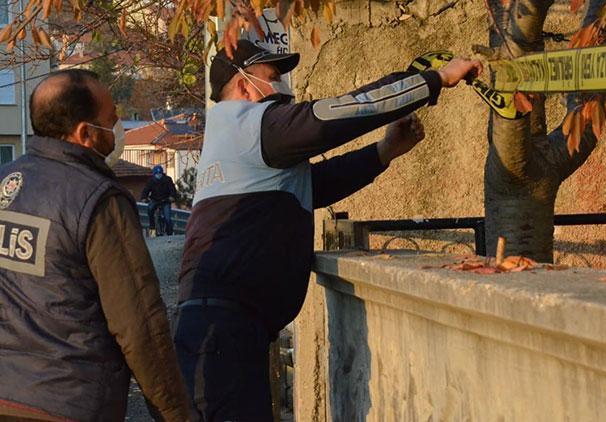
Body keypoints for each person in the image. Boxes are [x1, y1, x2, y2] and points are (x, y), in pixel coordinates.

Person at [174, 40, 482, 421]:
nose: (282, 87)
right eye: (272, 78)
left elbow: (311, 186)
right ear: (241, 85)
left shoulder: (235, 141)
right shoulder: (255, 125)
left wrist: (383, 152)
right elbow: (342, 113)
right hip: (223, 333)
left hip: (223, 329)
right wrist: (431, 80)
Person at [0, 69, 191, 421]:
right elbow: (139, 324)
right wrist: (176, 413)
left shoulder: (6, 181)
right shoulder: (98, 199)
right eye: (112, 120)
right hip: (68, 400)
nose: (118, 129)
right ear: (85, 133)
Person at [141, 164, 177, 236]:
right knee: (150, 210)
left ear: (162, 173)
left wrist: (172, 197)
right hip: (155, 200)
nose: (158, 175)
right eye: (157, 174)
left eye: (160, 173)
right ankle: (152, 230)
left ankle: (169, 233)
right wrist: (143, 198)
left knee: (167, 218)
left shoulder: (167, 180)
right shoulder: (151, 181)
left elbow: (172, 189)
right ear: (154, 174)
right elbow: (146, 190)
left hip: (165, 200)